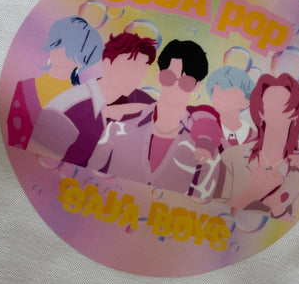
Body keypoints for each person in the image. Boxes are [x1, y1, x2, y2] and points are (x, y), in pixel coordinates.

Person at [89, 40, 221, 201]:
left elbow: (202, 208)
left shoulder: (205, 150)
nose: (175, 87)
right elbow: (86, 182)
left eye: (186, 83)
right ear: (159, 76)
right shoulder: (117, 128)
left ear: (196, 87)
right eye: (169, 77)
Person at [28, 31, 157, 165]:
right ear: (107, 64)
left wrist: (127, 109)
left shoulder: (139, 98)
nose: (136, 76)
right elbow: (35, 161)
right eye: (129, 66)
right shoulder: (67, 106)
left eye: (142, 69)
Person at [216, 73, 299, 220]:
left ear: (295, 114)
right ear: (260, 112)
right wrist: (251, 194)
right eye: (269, 104)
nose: (275, 111)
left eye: (283, 105)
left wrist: (277, 207)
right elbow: (212, 212)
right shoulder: (231, 157)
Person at [7, 16, 103, 149]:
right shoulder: (23, 88)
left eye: (71, 48)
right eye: (59, 43)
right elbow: (11, 137)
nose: (62, 51)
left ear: (84, 60)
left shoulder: (84, 103)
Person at [202, 65, 257, 151]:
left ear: (245, 102)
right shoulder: (205, 134)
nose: (220, 97)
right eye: (215, 91)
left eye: (228, 93)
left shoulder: (256, 139)